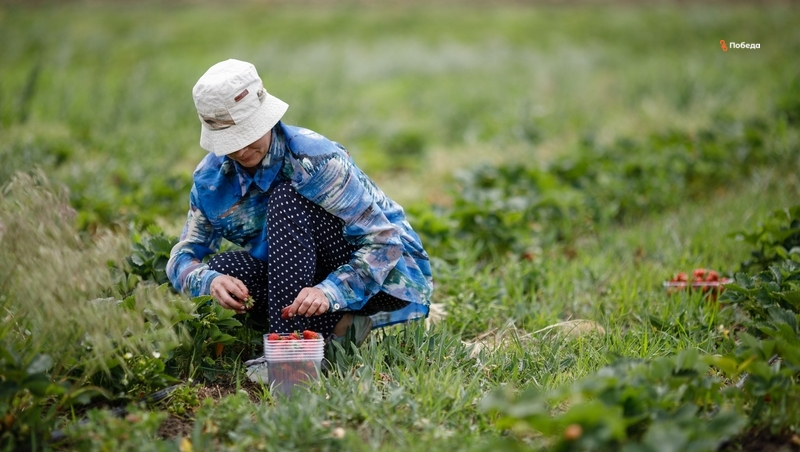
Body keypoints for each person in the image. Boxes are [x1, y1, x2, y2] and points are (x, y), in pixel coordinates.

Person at [166, 59, 433, 343]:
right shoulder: (210, 181)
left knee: (286, 197)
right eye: (230, 140)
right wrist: (208, 282)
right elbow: (182, 256)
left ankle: (287, 345)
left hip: (381, 274)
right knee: (224, 272)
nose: (242, 149)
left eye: (248, 132)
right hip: (295, 276)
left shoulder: (314, 160)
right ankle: (341, 326)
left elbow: (384, 242)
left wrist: (330, 291)